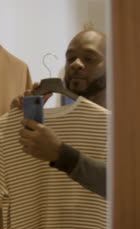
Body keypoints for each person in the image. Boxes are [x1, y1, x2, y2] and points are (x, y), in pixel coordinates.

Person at [13, 30, 107, 198]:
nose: (76, 64)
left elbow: (128, 186)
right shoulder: (43, 131)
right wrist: (16, 120)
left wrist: (61, 155)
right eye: (70, 58)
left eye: (89, 58)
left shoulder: (128, 125)